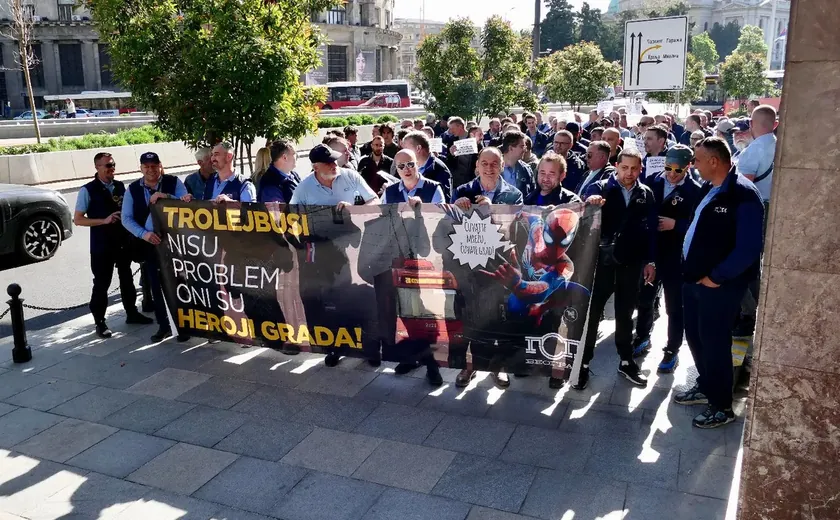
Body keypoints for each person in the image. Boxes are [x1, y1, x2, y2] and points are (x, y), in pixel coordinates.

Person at [676, 137, 764, 428]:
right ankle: (707, 385)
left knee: (714, 343)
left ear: (714, 161)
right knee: (696, 337)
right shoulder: (709, 187)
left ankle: (722, 406)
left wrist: (717, 277)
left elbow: (749, 248)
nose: (694, 165)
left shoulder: (743, 195)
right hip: (694, 280)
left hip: (719, 286)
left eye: (698, 160)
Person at [290, 144, 379, 367]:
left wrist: (354, 209)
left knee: (361, 298)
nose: (334, 165)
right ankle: (336, 346)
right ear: (315, 167)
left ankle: (370, 348)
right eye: (328, 162)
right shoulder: (304, 188)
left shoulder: (350, 176)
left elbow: (376, 202)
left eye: (335, 160)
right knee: (334, 302)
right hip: (326, 254)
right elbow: (291, 216)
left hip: (355, 248)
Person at [578, 148, 657, 389]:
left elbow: (651, 231)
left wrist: (651, 261)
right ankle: (582, 365)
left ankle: (626, 361)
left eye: (634, 168)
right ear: (616, 166)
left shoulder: (646, 193)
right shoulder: (601, 188)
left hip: (630, 264)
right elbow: (583, 212)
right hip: (601, 263)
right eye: (625, 168)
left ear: (640, 169)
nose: (629, 173)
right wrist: (590, 204)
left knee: (625, 315)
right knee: (591, 316)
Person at [452, 147, 523, 389]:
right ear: (477, 166)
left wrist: (493, 210)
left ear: (502, 166)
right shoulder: (463, 191)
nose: (489, 167)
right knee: (468, 318)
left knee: (498, 319)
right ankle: (469, 366)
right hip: (469, 268)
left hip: (499, 268)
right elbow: (448, 227)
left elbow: (515, 231)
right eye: (484, 163)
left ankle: (497, 366)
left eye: (494, 163)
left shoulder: (513, 195)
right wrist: (456, 209)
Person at [632, 145, 702, 373]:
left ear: (688, 167)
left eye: (678, 170)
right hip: (651, 252)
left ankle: (672, 349)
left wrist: (676, 225)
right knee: (645, 298)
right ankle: (642, 336)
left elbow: (701, 226)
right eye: (669, 168)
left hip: (676, 257)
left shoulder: (695, 190)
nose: (672, 174)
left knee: (674, 306)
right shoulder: (652, 182)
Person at [74, 153, 153, 338]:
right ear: (97, 167)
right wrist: (104, 220)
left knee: (127, 279)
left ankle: (131, 313)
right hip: (102, 245)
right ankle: (100, 322)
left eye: (113, 165)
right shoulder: (87, 190)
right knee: (102, 283)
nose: (111, 169)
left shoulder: (119, 186)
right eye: (108, 165)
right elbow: (78, 220)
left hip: (122, 242)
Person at [122, 152, 190, 342]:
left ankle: (182, 325)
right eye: (146, 166)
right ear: (141, 168)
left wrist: (166, 196)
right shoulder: (133, 189)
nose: (150, 170)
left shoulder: (173, 182)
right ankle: (164, 326)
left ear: (160, 165)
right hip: (150, 245)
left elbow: (187, 203)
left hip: (175, 244)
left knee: (179, 284)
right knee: (156, 285)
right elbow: (126, 218)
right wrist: (144, 234)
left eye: (154, 165)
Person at [733, 105, 776, 337]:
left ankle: (749, 313)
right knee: (755, 264)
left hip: (753, 209)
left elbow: (745, 187)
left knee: (745, 264)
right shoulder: (779, 145)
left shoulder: (753, 150)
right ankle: (754, 310)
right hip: (772, 207)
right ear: (775, 124)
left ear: (751, 123)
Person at [402, 131, 452, 201]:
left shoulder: (439, 170)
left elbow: (444, 202)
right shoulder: (410, 165)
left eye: (407, 148)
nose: (404, 152)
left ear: (418, 148)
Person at [257, 139, 301, 203]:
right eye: (294, 154)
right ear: (284, 157)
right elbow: (277, 211)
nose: (297, 156)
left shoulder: (294, 175)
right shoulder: (270, 182)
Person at [444, 117, 479, 190]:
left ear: (460, 126)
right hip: (457, 181)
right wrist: (451, 154)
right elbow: (448, 162)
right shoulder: (451, 141)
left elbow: (479, 157)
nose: (450, 131)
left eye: (452, 128)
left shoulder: (474, 140)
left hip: (472, 179)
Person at [500, 130, 536, 196]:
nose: (525, 150)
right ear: (510, 148)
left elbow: (532, 195)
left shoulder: (526, 170)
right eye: (522, 146)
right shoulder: (493, 167)